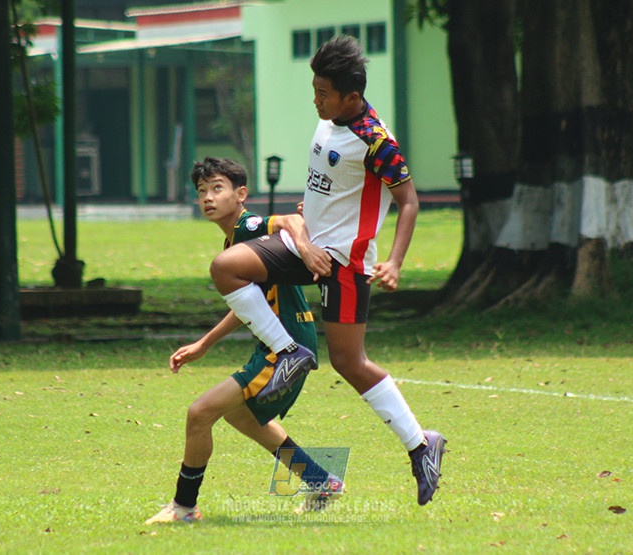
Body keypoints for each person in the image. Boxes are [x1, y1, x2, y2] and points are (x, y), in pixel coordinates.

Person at [208, 35, 446, 506]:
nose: (315, 99)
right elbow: (332, 183)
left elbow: (409, 202)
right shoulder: (330, 120)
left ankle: (422, 446)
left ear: (351, 97)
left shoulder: (377, 143)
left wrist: (394, 261)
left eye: (323, 93)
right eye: (314, 89)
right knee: (226, 267)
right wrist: (311, 213)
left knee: (349, 363)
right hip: (304, 248)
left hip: (345, 264)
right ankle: (288, 351)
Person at [146, 157, 342, 525]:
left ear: (241, 194)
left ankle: (184, 507)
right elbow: (247, 307)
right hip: (285, 343)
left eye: (217, 188)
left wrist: (305, 245)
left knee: (199, 413)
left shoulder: (249, 225)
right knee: (242, 417)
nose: (207, 197)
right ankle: (320, 481)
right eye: (201, 191)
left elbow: (290, 220)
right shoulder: (234, 241)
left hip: (285, 349)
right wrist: (205, 344)